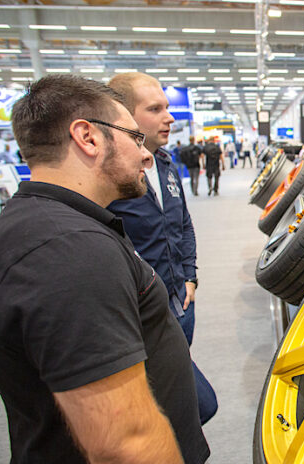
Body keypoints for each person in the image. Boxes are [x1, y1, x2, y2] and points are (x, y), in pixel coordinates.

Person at [0, 74, 209, 463]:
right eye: (134, 138)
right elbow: (125, 443)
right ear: (88, 138)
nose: (146, 154)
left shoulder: (55, 226)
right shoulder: (68, 253)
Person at [107, 72, 217, 425]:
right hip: (143, 315)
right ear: (122, 115)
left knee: (174, 404)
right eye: (155, 109)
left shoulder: (167, 165)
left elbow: (182, 224)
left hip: (181, 301)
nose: (169, 117)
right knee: (194, 406)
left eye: (167, 107)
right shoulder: (111, 177)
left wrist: (190, 277)